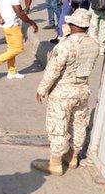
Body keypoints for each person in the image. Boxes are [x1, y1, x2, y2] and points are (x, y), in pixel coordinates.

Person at [33, 9, 99, 175]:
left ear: (73, 25)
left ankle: (55, 163)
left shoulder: (65, 45)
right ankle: (73, 157)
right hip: (83, 90)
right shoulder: (94, 44)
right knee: (78, 125)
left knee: (58, 125)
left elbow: (53, 70)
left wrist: (42, 89)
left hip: (63, 91)